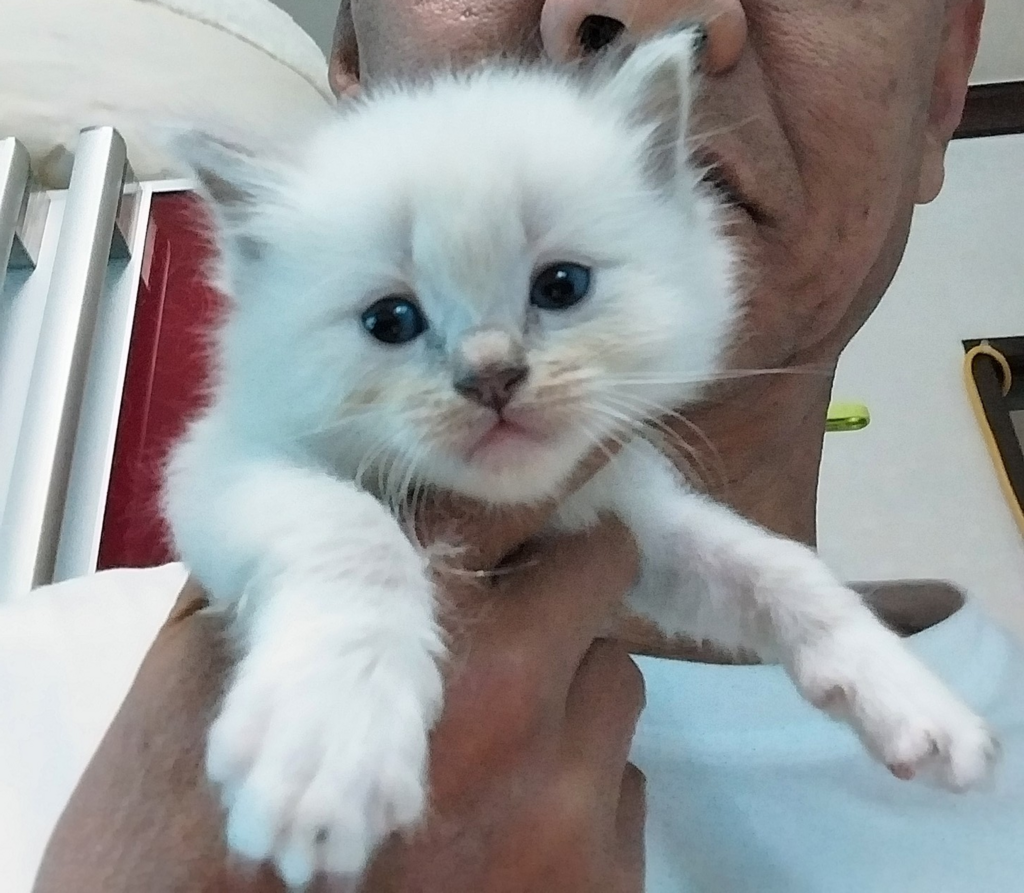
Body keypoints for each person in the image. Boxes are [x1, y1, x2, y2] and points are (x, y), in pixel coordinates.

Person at [29, 0, 1024, 891]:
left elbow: (677, 547)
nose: (489, 371)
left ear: (947, 78)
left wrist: (830, 634)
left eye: (558, 287)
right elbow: (228, 477)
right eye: (390, 320)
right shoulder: (33, 684)